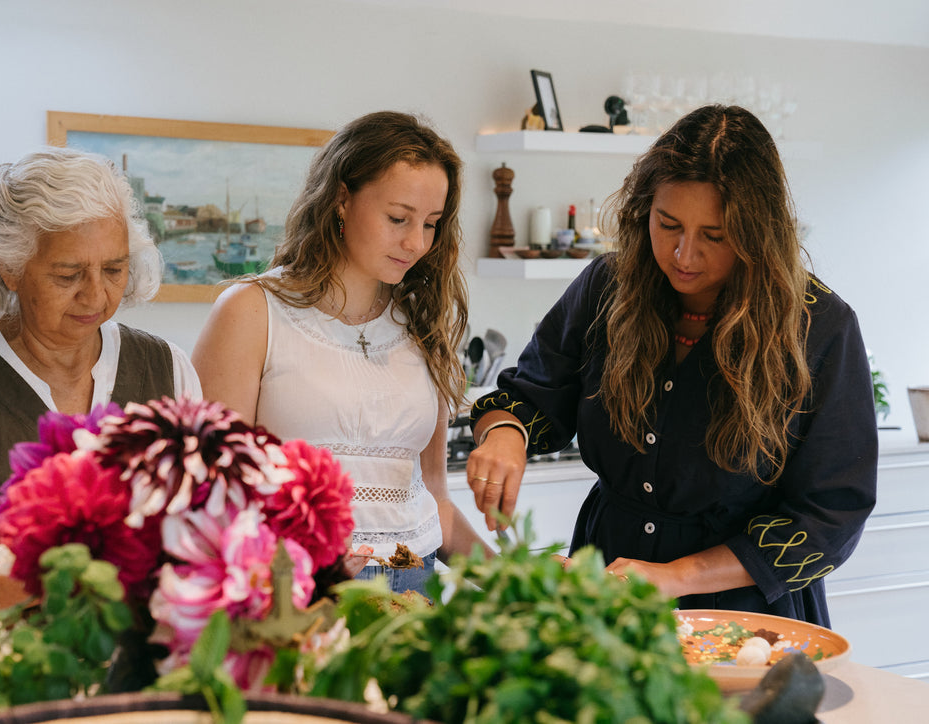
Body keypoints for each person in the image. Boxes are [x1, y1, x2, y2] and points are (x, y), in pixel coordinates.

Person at [466, 104, 877, 627]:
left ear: (758, 232)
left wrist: (676, 577)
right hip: (604, 598)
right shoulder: (608, 287)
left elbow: (828, 519)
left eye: (715, 235)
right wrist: (504, 432)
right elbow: (531, 397)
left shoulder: (819, 328)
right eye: (668, 224)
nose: (684, 254)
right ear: (645, 210)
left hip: (742, 616)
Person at [192, 111, 489, 595]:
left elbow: (435, 497)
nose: (415, 243)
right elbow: (213, 492)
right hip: (296, 595)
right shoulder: (252, 311)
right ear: (341, 200)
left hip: (417, 587)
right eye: (398, 218)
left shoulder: (422, 323)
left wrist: (517, 581)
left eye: (431, 224)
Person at [0, 147, 202, 625]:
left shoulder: (166, 367)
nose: (97, 295)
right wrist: (77, 576)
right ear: (9, 269)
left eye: (113, 269)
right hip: (3, 675)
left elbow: (202, 533)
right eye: (68, 275)